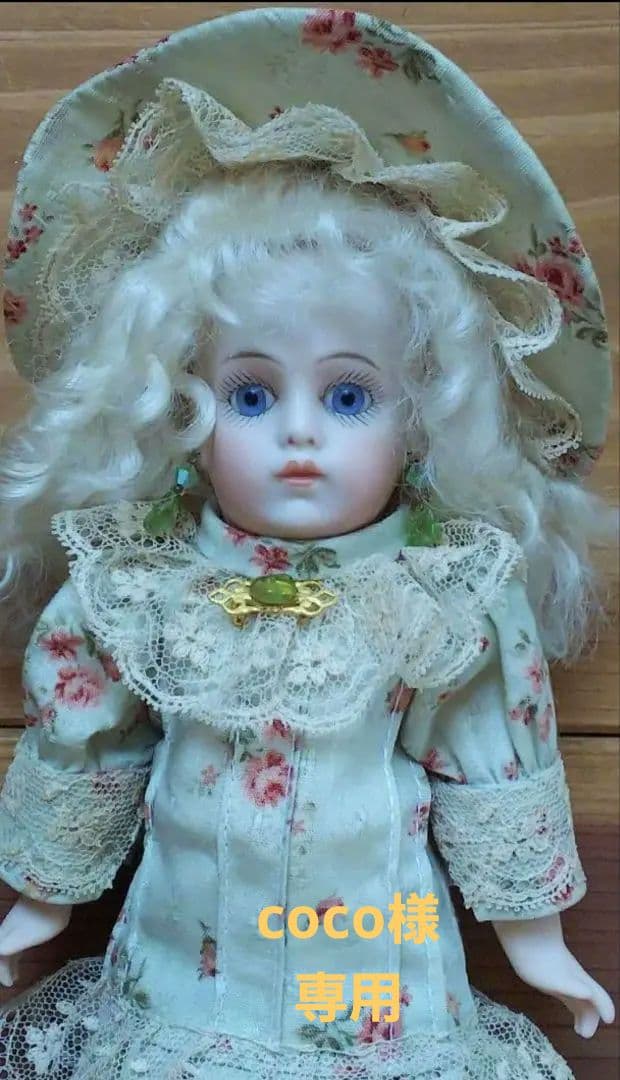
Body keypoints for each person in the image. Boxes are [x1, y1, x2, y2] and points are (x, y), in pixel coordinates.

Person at [0, 10, 615, 1078]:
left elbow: (494, 761)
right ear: (181, 410)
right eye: (249, 394)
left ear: (422, 419)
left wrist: (538, 943)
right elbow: (85, 737)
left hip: (373, 981)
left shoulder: (442, 590)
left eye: (347, 395)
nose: (298, 434)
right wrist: (38, 902)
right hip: (179, 980)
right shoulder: (141, 578)